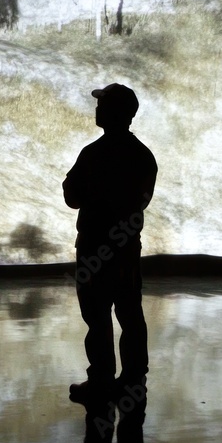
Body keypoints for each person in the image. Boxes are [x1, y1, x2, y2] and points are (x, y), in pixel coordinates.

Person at [62, 83, 157, 409]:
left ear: (113, 112)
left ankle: (101, 380)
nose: (97, 110)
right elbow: (139, 203)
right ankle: (133, 382)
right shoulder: (143, 156)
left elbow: (71, 196)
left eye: (102, 105)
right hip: (126, 250)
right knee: (130, 315)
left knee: (97, 317)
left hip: (92, 249)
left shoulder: (93, 154)